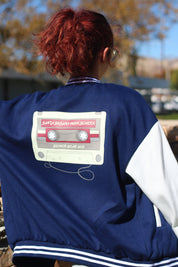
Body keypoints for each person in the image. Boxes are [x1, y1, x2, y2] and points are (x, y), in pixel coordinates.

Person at [0, 7, 178, 267]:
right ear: (105, 54)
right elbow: (167, 187)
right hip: (123, 254)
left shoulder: (22, 113)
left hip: (52, 250)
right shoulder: (125, 105)